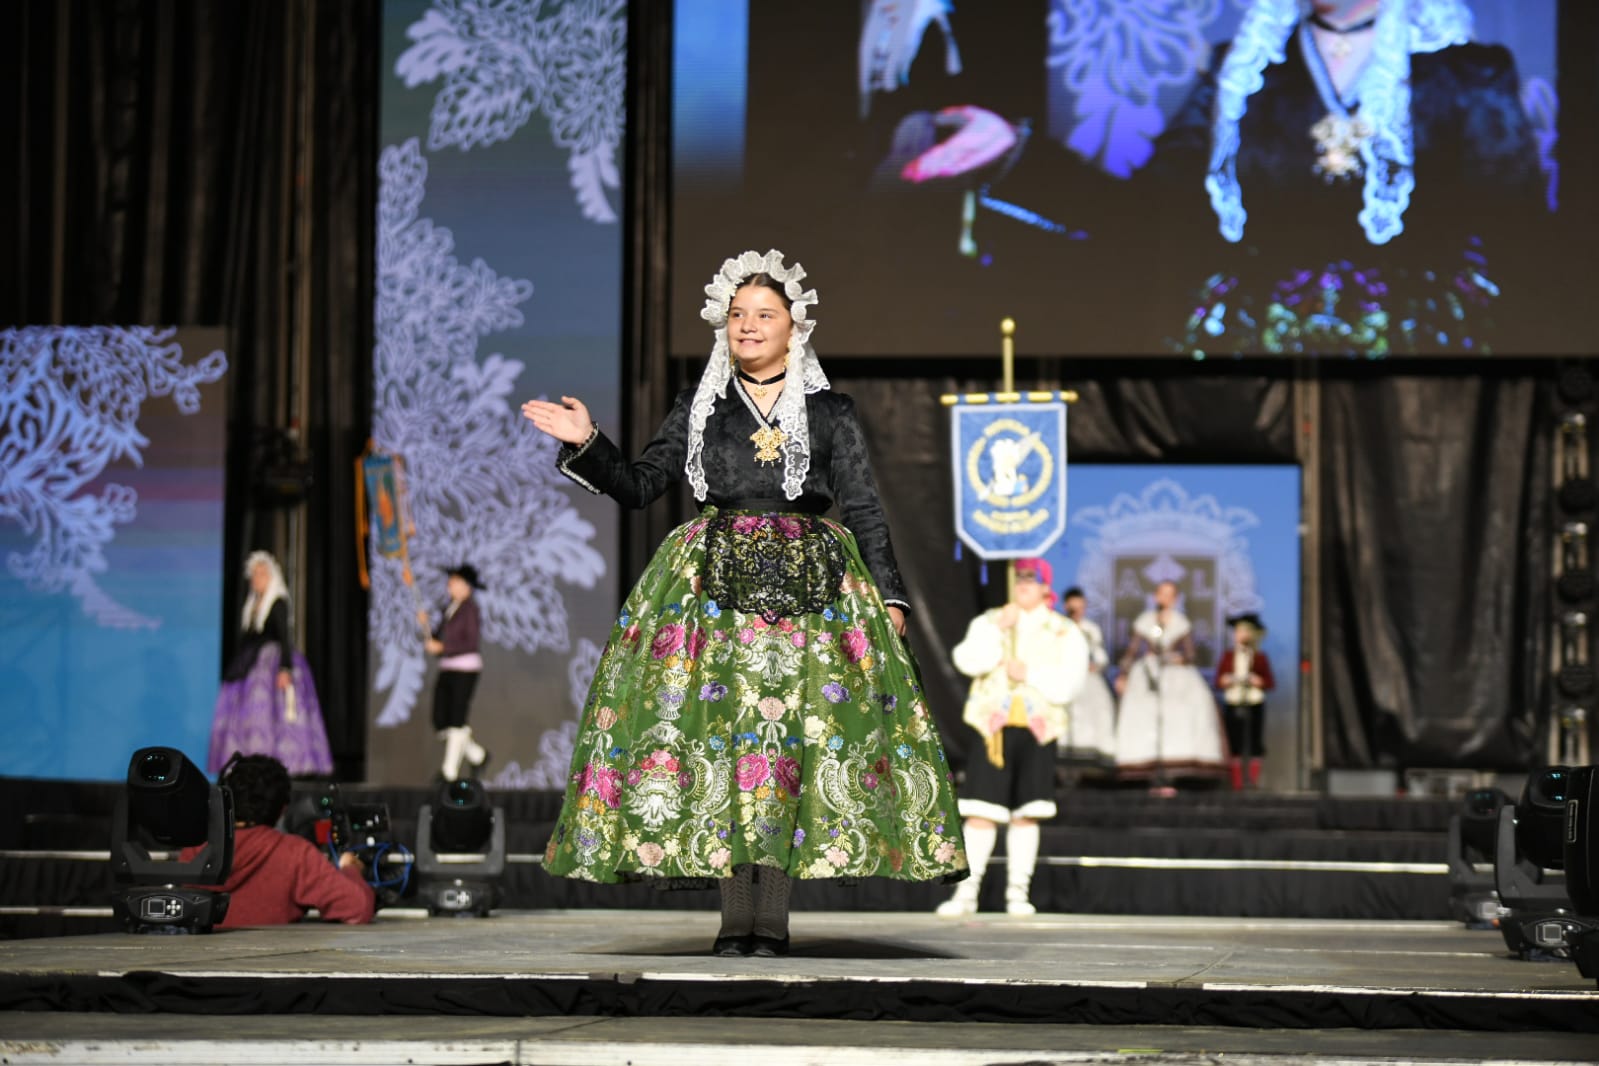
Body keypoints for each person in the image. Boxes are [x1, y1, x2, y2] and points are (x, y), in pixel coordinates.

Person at [523, 249, 967, 956]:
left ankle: (773, 921)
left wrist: (887, 595)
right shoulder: (701, 407)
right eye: (737, 315)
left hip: (815, 592)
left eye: (764, 315)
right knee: (726, 745)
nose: (748, 325)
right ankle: (737, 921)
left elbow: (864, 506)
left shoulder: (830, 412)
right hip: (710, 591)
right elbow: (641, 485)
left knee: (788, 748)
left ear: (795, 328)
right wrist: (590, 445)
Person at [887, 0, 1552, 355]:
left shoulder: (1468, 71)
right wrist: (1016, 154)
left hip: (1423, 354)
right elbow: (1143, 212)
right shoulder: (1239, 73)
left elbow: (1521, 239)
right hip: (1250, 350)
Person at [936, 558, 1087, 917]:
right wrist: (997, 631)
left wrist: (1029, 673)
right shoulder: (991, 622)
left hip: (1037, 730)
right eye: (1019, 578)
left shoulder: (1063, 630)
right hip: (993, 730)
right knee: (980, 814)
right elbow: (967, 661)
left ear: (1045, 587)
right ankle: (966, 894)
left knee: (1027, 814)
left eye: (1031, 579)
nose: (1023, 584)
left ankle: (1017, 893)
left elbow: (1070, 683)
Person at [182, 753, 374, 927]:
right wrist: (351, 869)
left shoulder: (193, 851)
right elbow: (357, 908)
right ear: (282, 809)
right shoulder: (294, 853)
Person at [207, 551, 333, 776]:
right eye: (254, 575)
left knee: (276, 714)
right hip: (252, 662)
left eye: (262, 574)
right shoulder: (253, 605)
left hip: (272, 662)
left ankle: (278, 765)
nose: (257, 579)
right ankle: (248, 763)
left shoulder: (277, 602)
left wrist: (285, 668)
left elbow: (285, 637)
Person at [1113, 580, 1229, 789]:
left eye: (1170, 594)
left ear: (1175, 599)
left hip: (1174, 673)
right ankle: (1148, 770)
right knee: (1144, 713)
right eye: (1162, 593)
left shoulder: (1180, 622)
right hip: (1149, 671)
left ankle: (1172, 771)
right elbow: (1132, 651)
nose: (1165, 598)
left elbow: (1191, 654)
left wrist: (1179, 659)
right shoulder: (1146, 620)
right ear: (1156, 596)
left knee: (1179, 714)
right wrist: (1124, 674)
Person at [418, 564, 488, 781]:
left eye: (455, 580)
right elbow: (438, 638)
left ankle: (449, 772)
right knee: (441, 720)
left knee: (457, 719)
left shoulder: (470, 610)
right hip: (447, 668)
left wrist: (443, 648)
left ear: (466, 586)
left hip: (465, 669)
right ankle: (478, 755)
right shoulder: (450, 607)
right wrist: (424, 625)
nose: (450, 584)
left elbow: (470, 642)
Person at [1215, 612, 1277, 790]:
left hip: (1254, 701)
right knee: (1235, 743)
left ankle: (1252, 781)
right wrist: (1226, 680)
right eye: (1238, 631)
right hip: (1234, 701)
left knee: (1255, 742)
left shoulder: (1259, 657)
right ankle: (1237, 783)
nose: (1241, 635)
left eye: (1245, 631)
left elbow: (1270, 682)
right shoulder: (1228, 656)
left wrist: (1259, 681)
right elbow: (1218, 681)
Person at [1059, 586, 1118, 770]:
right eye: (1073, 607)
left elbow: (1100, 656)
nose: (1077, 612)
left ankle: (1093, 760)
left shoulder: (1091, 629)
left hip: (1087, 677)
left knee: (1100, 708)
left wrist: (1095, 665)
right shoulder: (1058, 626)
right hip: (1064, 676)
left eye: (1081, 607)